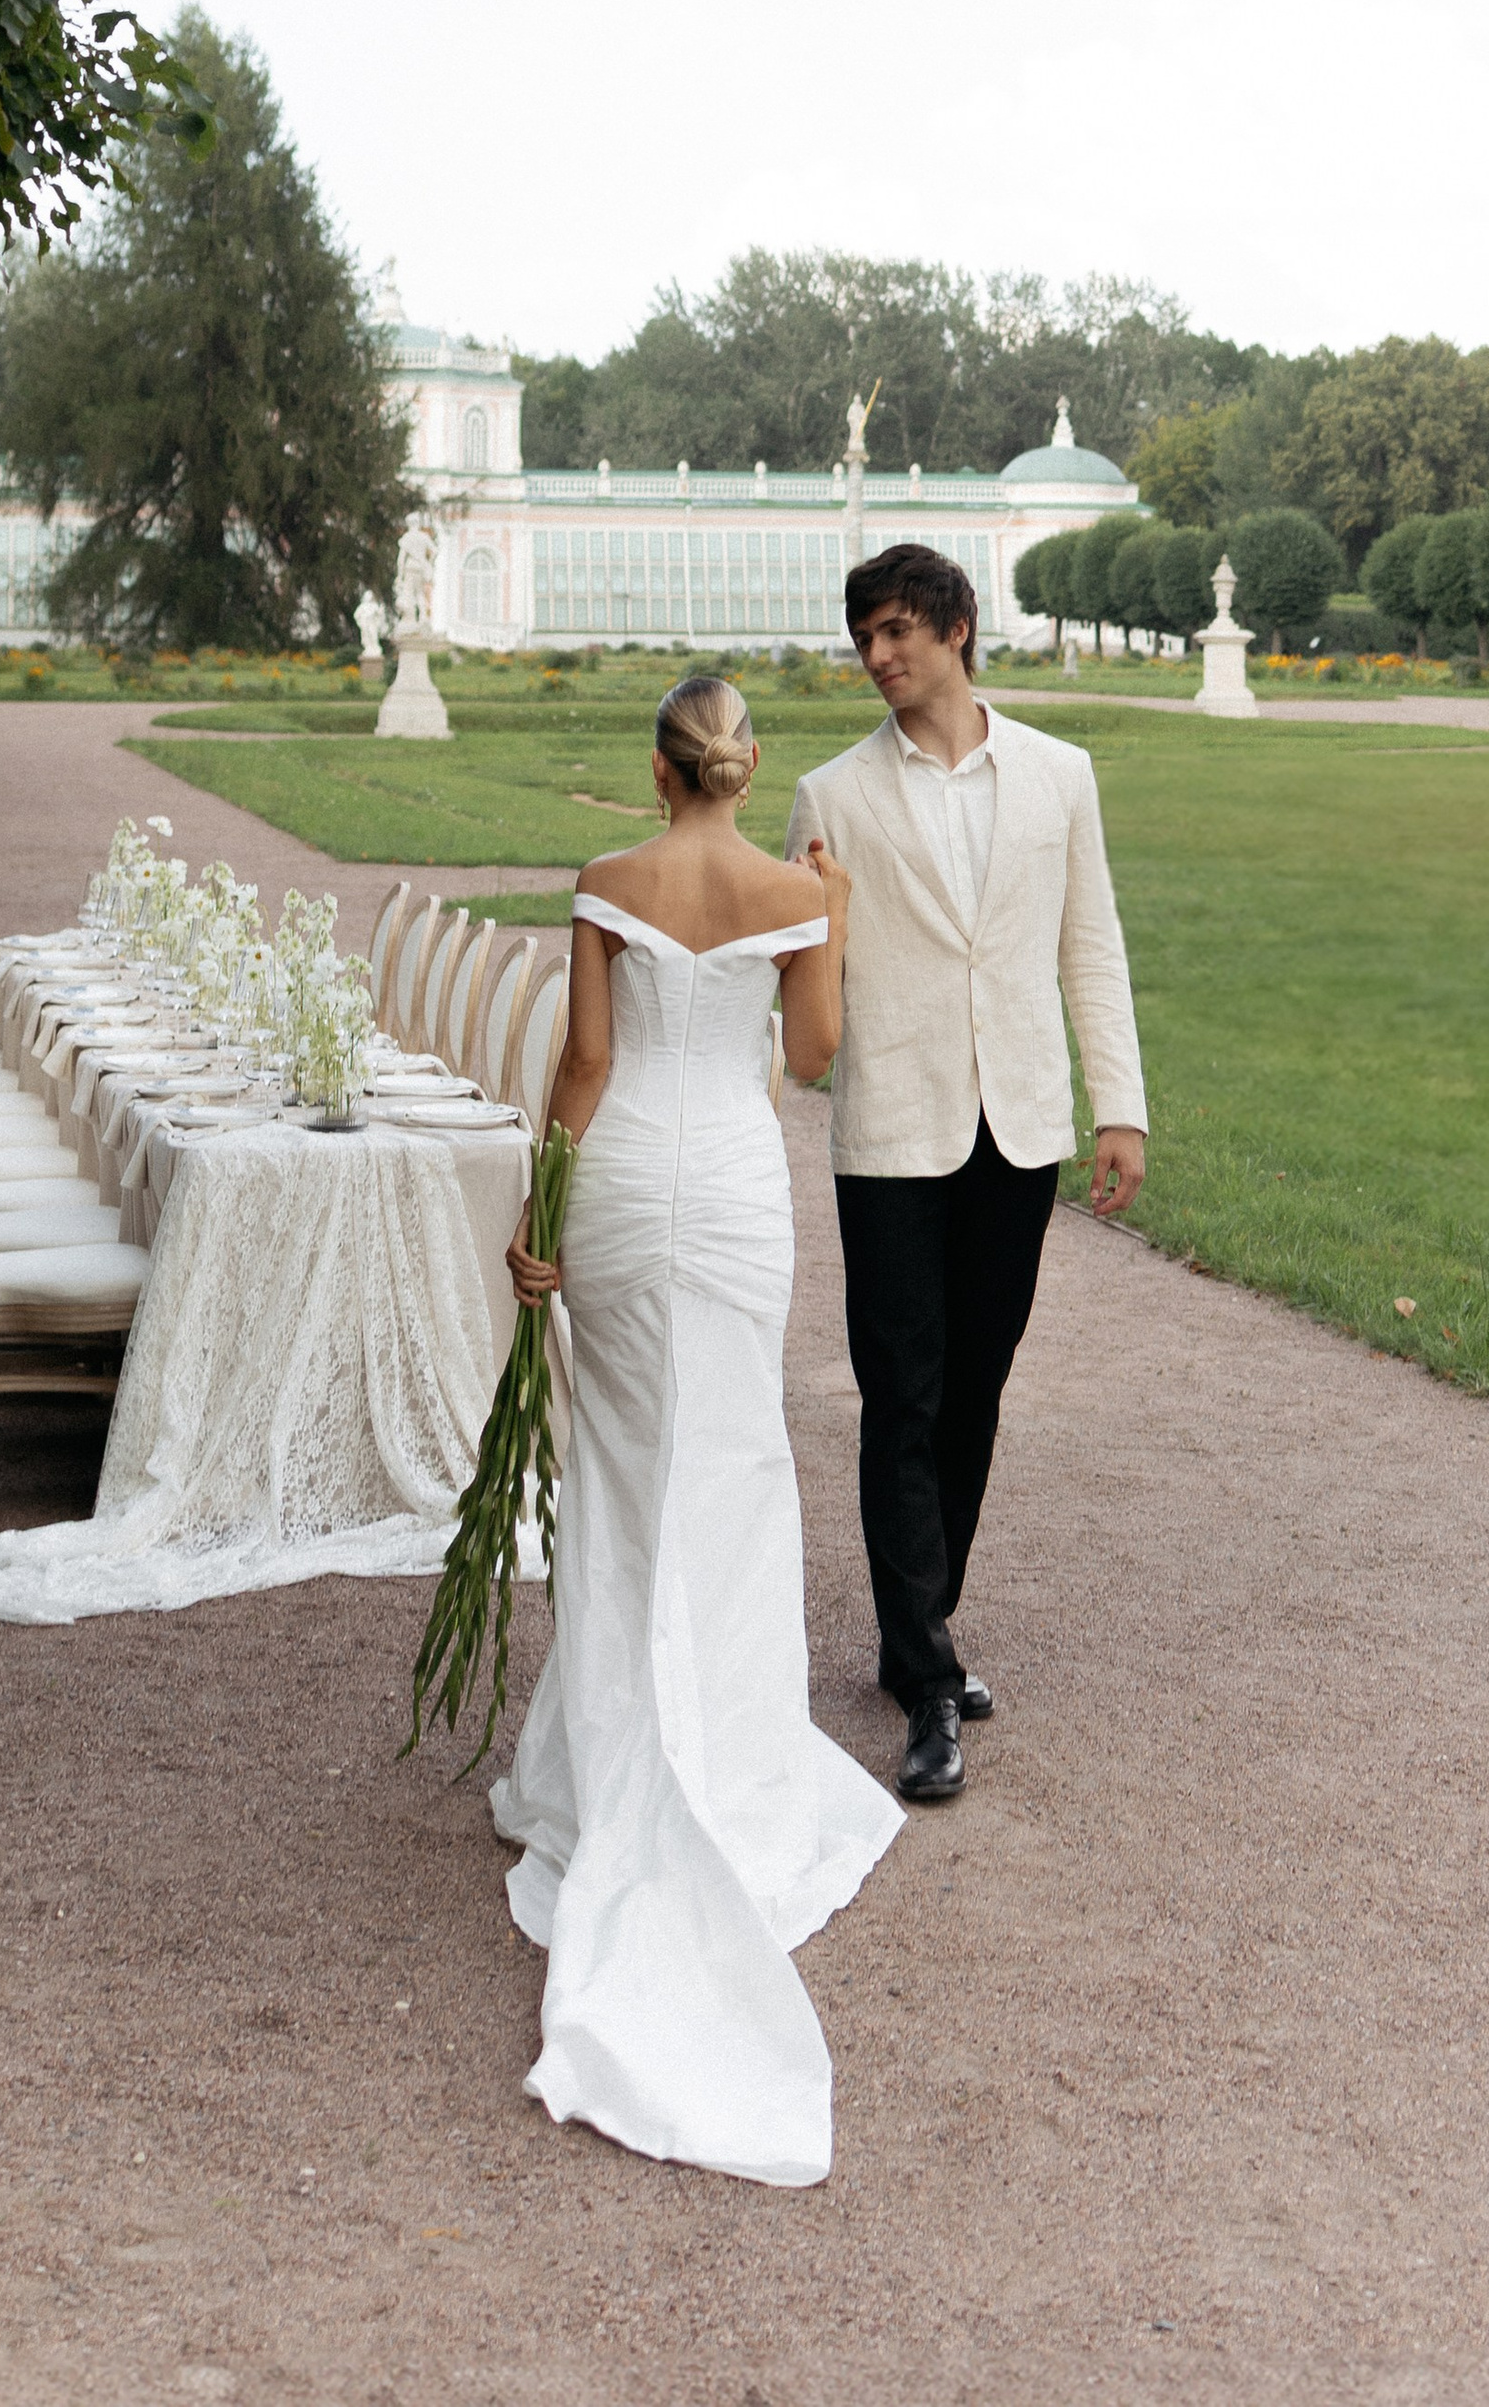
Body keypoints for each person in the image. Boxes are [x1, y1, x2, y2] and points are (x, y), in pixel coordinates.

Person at [488, 672, 902, 2188]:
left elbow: (586, 1068)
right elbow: (808, 1057)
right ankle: (723, 1761)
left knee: (613, 1479)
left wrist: (541, 1211)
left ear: (658, 769)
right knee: (734, 1474)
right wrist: (829, 923)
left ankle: (606, 1764)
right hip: (730, 1190)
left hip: (621, 1189)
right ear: (744, 770)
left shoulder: (608, 881)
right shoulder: (795, 888)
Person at [785, 542, 1147, 1807]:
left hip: (1021, 1127)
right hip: (890, 1127)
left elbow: (1088, 944)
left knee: (976, 1388)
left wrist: (1122, 1109)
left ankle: (915, 1629)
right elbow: (803, 1001)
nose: (876, 658)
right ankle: (928, 1680)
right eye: (863, 639)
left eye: (893, 633)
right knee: (901, 1390)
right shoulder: (828, 795)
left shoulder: (1061, 775)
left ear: (956, 627)